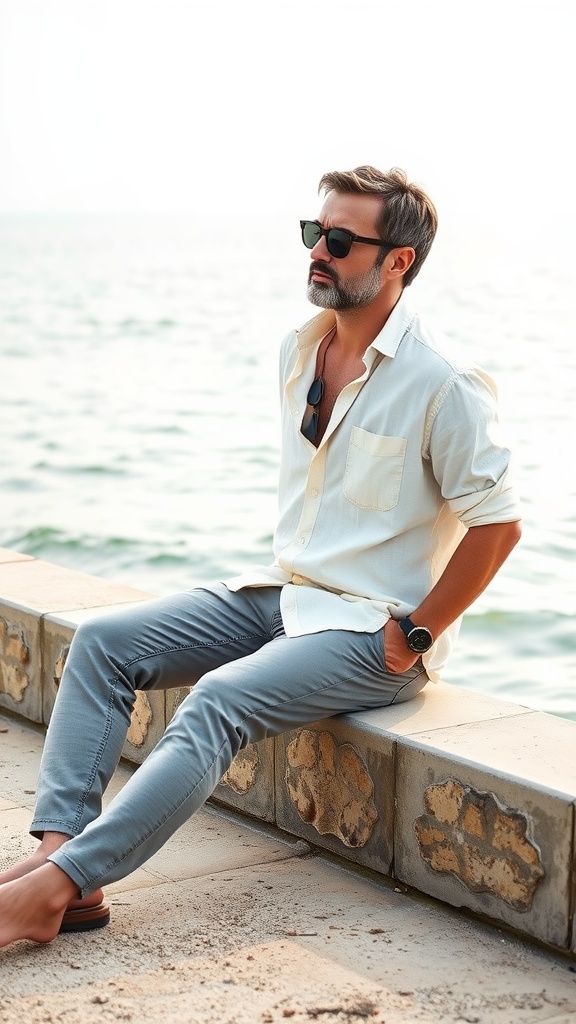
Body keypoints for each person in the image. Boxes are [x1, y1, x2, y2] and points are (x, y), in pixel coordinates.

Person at [0, 165, 521, 948]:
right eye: (315, 233)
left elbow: (499, 526)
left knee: (217, 702)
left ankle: (55, 890)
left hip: (370, 631)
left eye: (340, 241)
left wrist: (413, 634)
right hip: (287, 593)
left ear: (399, 262)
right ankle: (60, 864)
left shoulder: (442, 385)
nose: (319, 251)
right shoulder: (299, 348)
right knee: (104, 644)